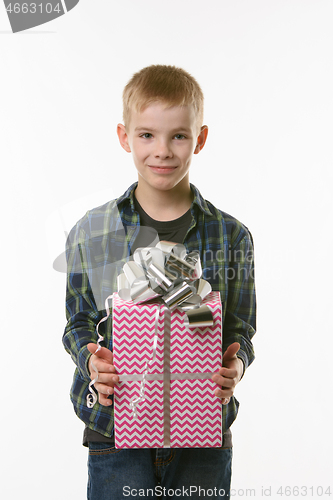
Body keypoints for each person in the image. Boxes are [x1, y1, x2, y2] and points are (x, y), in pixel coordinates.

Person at [63, 65, 256, 499]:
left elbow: (240, 329)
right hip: (114, 431)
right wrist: (92, 363)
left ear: (200, 139)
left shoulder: (231, 235)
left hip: (201, 432)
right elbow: (78, 324)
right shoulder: (95, 233)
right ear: (124, 136)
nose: (163, 151)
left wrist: (235, 365)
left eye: (179, 136)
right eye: (147, 135)